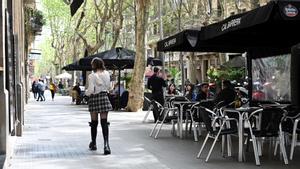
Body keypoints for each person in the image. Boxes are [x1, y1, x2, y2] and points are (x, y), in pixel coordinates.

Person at [85, 57, 112, 154]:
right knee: (104, 122)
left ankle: (94, 143)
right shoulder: (107, 74)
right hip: (104, 97)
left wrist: (86, 94)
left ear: (94, 65)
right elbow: (109, 87)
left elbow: (91, 90)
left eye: (92, 64)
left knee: (94, 123)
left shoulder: (92, 75)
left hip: (94, 98)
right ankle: (106, 146)